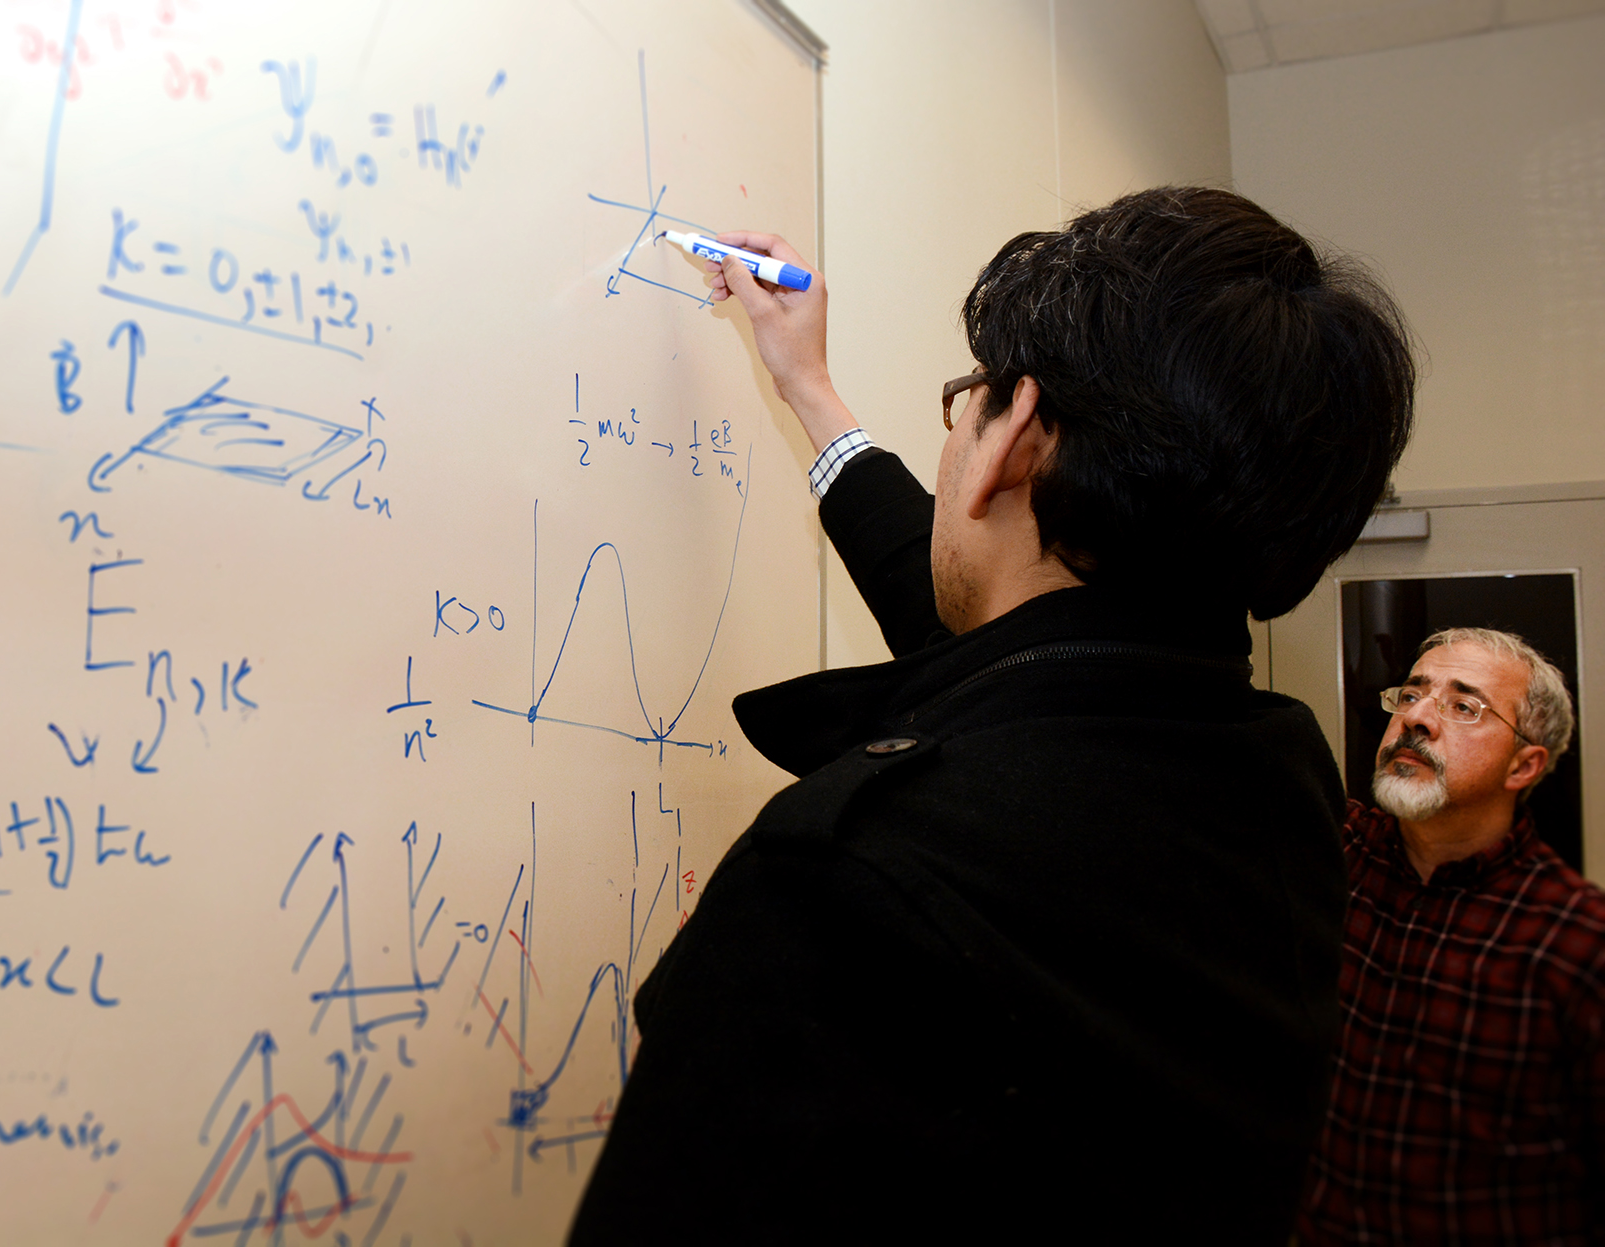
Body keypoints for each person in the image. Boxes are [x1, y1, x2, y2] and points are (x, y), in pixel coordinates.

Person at [567, 187, 1417, 1244]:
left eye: (968, 398)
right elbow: (985, 637)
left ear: (1015, 431)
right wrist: (809, 389)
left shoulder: (847, 878)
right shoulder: (1270, 770)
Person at [1298, 628, 1592, 1244]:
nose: (1417, 719)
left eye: (1464, 706)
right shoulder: (1330, 854)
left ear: (1524, 764)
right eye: (1410, 695)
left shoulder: (1575, 938)